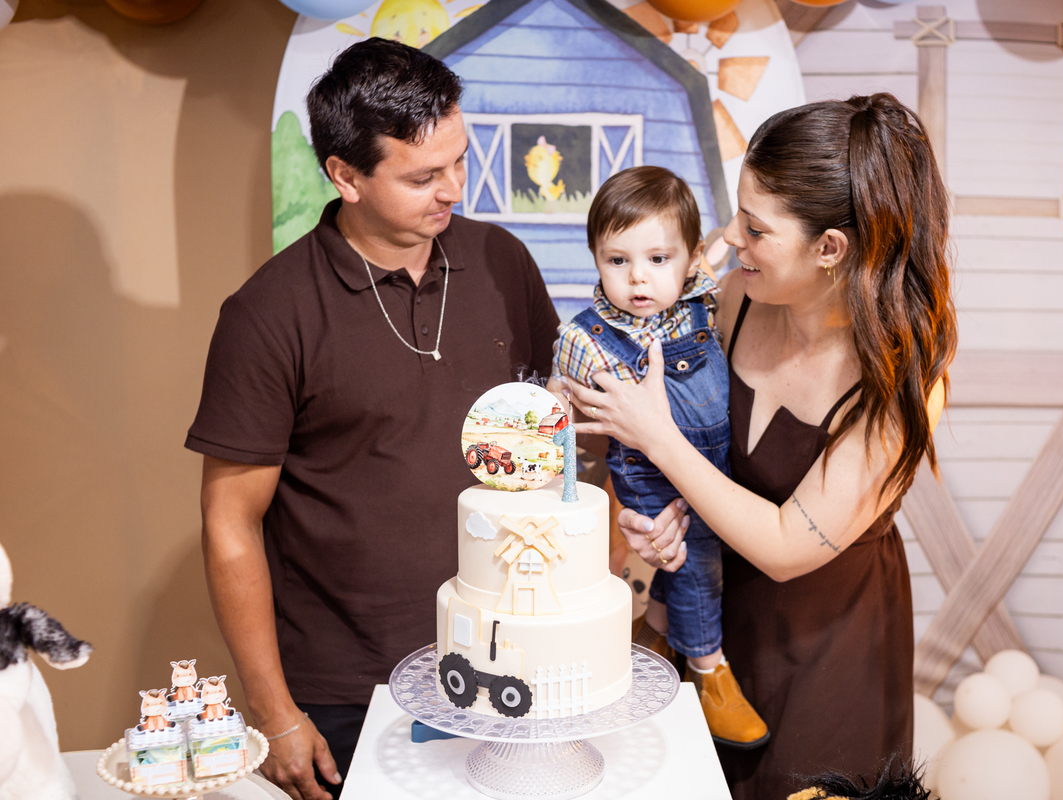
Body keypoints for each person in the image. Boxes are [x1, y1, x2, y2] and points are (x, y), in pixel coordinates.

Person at [186, 40, 559, 800]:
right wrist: (275, 714)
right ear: (345, 176)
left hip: (512, 661)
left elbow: (558, 435)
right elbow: (230, 523)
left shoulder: (503, 262)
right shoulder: (268, 313)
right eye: (422, 177)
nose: (454, 189)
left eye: (460, 160)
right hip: (348, 691)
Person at [562, 93, 956, 799]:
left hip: (826, 647)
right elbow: (687, 443)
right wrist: (660, 520)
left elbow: (782, 544)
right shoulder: (739, 295)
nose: (729, 238)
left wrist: (657, 439)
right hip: (713, 613)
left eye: (754, 227)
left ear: (829, 249)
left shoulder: (901, 384)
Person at [551, 166, 768, 748]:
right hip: (649, 478)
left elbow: (717, 249)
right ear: (596, 259)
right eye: (617, 260)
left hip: (713, 465)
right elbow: (560, 408)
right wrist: (558, 410)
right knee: (695, 563)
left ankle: (656, 632)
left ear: (691, 260)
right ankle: (708, 668)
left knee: (706, 555)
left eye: (657, 259)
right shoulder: (585, 338)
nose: (638, 277)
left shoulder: (702, 302)